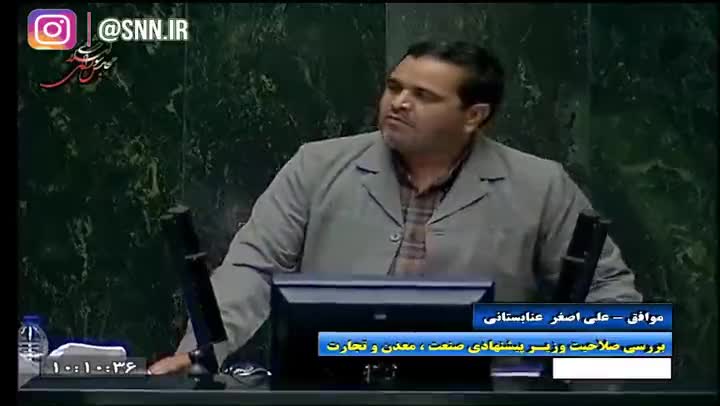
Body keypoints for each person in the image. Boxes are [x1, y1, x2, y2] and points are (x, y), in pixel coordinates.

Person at [149, 40, 642, 375]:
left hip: (482, 394)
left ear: (474, 116)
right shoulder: (317, 165)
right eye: (394, 87)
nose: (399, 102)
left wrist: (581, 373)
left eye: (423, 95)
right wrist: (201, 352)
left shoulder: (541, 185)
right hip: (334, 386)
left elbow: (610, 296)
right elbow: (253, 268)